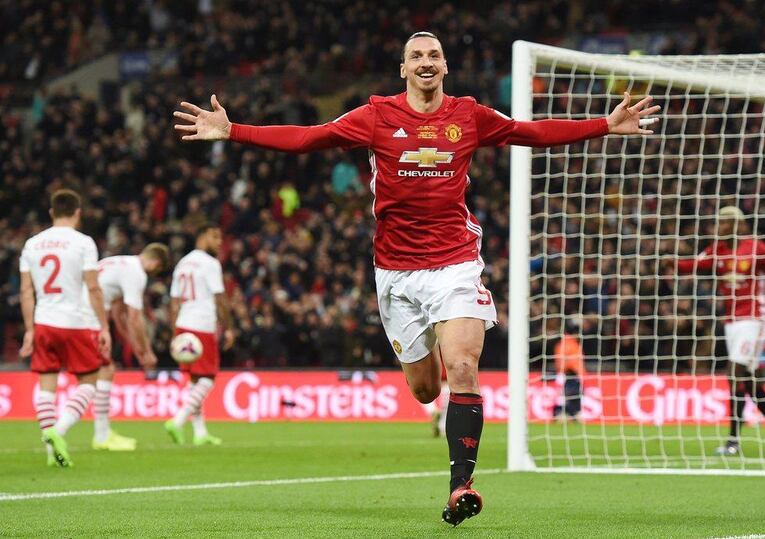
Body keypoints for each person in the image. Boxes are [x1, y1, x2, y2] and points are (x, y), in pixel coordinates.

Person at [173, 31, 658, 526]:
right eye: (416, 57)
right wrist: (234, 131)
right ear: (403, 68)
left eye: (433, 56)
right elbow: (309, 137)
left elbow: (529, 133)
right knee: (426, 391)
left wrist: (603, 125)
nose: (426, 62)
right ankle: (434, 382)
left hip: (455, 263)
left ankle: (460, 486)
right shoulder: (377, 115)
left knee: (464, 366)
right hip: (396, 275)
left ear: (445, 66)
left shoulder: (468, 115)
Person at [666, 206, 765, 455]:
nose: (720, 227)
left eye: (724, 223)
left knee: (734, 375)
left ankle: (733, 441)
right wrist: (671, 261)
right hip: (731, 321)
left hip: (755, 318)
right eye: (719, 223)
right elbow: (693, 265)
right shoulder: (717, 250)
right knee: (745, 381)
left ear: (737, 225)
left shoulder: (757, 248)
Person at [19, 189, 111, 467]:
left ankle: (51, 448)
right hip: (76, 322)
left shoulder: (32, 244)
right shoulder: (83, 243)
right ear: (78, 213)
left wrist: (29, 329)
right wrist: (104, 327)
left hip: (44, 321)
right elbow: (93, 287)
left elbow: (26, 291)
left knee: (47, 387)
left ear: (51, 213)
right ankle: (58, 432)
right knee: (89, 384)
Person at [82, 244, 170, 450]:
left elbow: (118, 313)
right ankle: (97, 434)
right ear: (155, 263)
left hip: (83, 311)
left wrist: (136, 348)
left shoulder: (119, 262)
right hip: (88, 315)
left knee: (103, 370)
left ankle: (102, 432)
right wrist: (146, 352)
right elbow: (134, 317)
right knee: (102, 371)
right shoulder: (137, 273)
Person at [164, 224, 234, 446]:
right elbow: (220, 298)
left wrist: (174, 331)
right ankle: (178, 420)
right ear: (202, 237)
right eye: (215, 236)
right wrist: (229, 327)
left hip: (184, 324)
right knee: (208, 377)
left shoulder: (182, 263)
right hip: (202, 325)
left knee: (194, 380)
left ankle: (200, 432)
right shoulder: (210, 263)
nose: (219, 242)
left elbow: (174, 302)